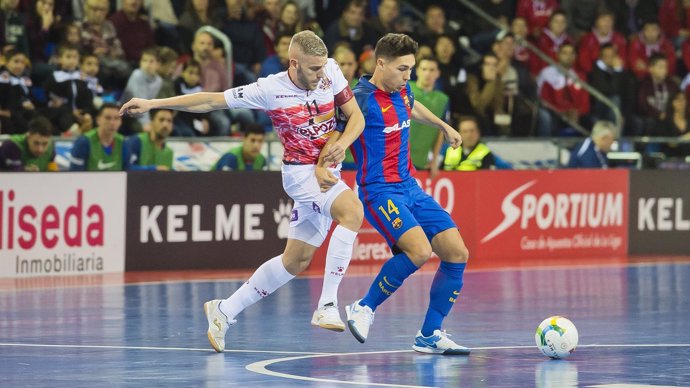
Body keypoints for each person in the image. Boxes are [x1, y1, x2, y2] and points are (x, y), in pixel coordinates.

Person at [120, 30, 366, 353]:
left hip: (326, 170)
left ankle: (224, 310)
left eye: (323, 67)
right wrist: (154, 103)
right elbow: (210, 100)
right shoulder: (270, 89)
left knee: (295, 261)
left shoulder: (330, 70)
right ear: (294, 63)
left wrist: (340, 147)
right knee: (353, 212)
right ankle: (328, 304)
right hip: (299, 174)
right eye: (313, 69)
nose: (322, 75)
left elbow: (355, 118)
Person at [340, 33, 469, 355]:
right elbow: (329, 128)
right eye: (402, 69)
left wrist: (443, 125)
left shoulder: (403, 89)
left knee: (457, 253)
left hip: (410, 186)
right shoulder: (359, 100)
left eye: (411, 69)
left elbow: (413, 106)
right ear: (380, 63)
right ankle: (364, 307)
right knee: (419, 251)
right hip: (379, 191)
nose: (408, 76)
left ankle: (430, 334)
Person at [409, 56, 448, 177]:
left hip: (420, 160)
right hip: (395, 158)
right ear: (417, 71)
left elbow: (441, 131)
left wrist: (435, 160)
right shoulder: (404, 88)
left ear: (438, 73)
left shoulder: (443, 99)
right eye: (424, 69)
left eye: (432, 70)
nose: (428, 73)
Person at [69, 103, 128, 171]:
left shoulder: (124, 143)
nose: (112, 123)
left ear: (121, 121)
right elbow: (75, 175)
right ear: (98, 120)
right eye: (108, 118)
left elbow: (128, 174)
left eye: (116, 118)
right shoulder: (83, 142)